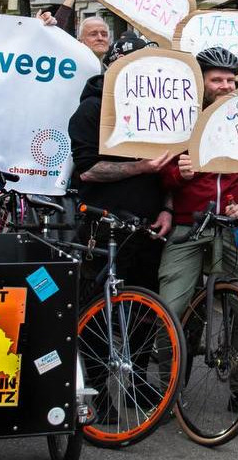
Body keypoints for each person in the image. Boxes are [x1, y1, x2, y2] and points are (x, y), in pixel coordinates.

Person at [157, 46, 238, 420]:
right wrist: (178, 174)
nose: (225, 85)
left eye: (230, 79)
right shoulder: (179, 119)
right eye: (217, 79)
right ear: (202, 83)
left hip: (233, 229)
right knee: (172, 308)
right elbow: (160, 174)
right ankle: (168, 391)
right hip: (187, 226)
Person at [68, 34, 173, 296]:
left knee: (145, 304)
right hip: (105, 226)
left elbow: (171, 165)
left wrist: (167, 209)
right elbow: (88, 171)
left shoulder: (160, 109)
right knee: (94, 299)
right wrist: (141, 167)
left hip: (150, 227)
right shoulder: (91, 109)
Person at [37, 0, 111, 60]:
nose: (100, 38)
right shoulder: (70, 66)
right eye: (93, 34)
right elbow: (55, 35)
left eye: (104, 34)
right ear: (80, 40)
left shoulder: (112, 71)